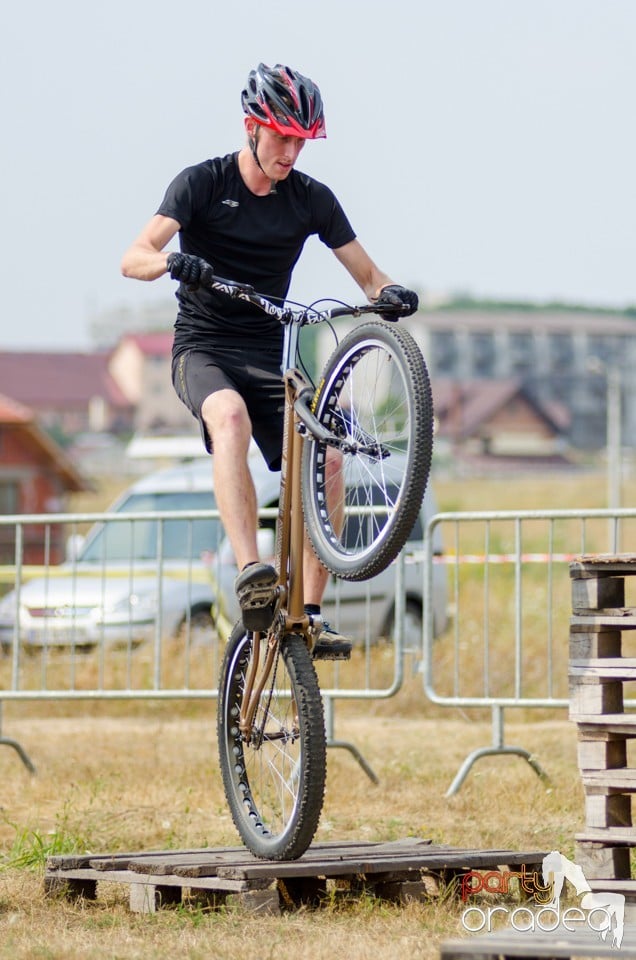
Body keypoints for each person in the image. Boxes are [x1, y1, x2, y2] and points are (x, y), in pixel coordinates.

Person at [121, 62, 419, 659]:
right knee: (227, 417)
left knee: (329, 455)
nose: (292, 151)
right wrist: (173, 263)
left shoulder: (310, 199)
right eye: (282, 136)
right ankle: (252, 573)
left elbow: (366, 274)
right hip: (203, 349)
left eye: (302, 140)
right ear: (251, 127)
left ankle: (310, 612)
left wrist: (390, 295)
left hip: (268, 354)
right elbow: (135, 256)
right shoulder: (201, 183)